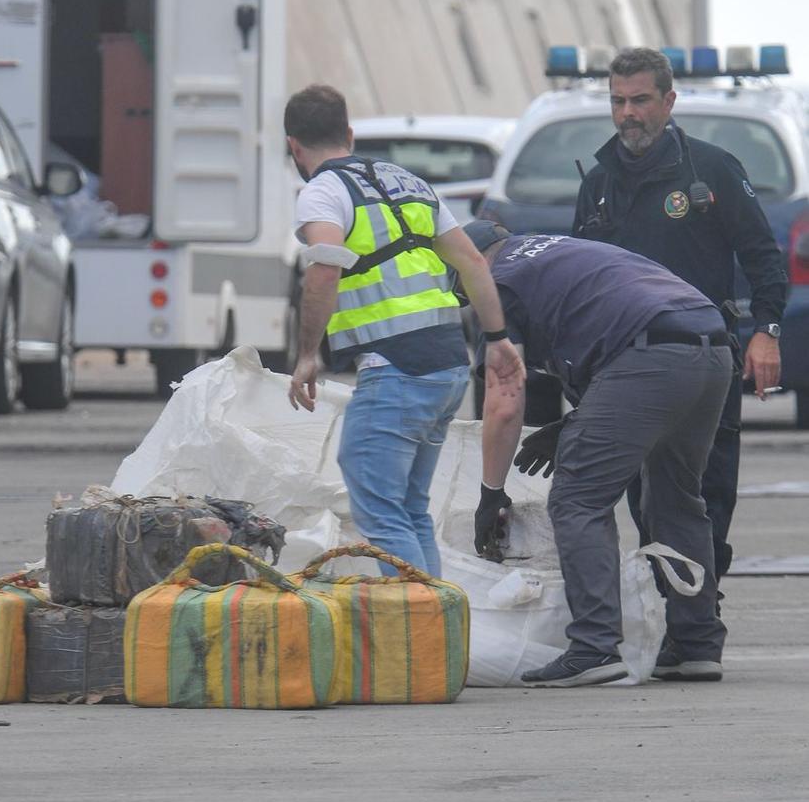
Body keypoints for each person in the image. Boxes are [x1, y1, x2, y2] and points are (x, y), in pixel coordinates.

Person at [469, 222, 733, 688]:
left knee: (577, 500)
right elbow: (608, 321)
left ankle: (594, 647)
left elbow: (505, 401)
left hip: (647, 357)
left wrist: (492, 492)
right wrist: (575, 422)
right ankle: (696, 645)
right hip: (709, 348)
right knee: (675, 500)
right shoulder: (551, 252)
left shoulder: (497, 282)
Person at [284, 85, 524, 577]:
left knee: (380, 513)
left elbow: (325, 265)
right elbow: (474, 262)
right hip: (446, 365)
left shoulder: (323, 191)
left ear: (293, 146)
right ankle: (438, 640)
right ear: (348, 133)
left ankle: (420, 639)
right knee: (410, 511)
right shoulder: (408, 182)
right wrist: (497, 338)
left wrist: (308, 354)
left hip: (396, 369)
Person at [572, 46, 785, 578]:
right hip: (626, 367)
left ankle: (699, 614)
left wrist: (767, 332)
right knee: (643, 498)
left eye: (640, 100)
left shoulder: (712, 170)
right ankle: (671, 609)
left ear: (669, 101)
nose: (628, 114)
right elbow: (580, 282)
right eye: (618, 101)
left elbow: (764, 259)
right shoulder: (597, 183)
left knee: (706, 492)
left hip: (703, 361)